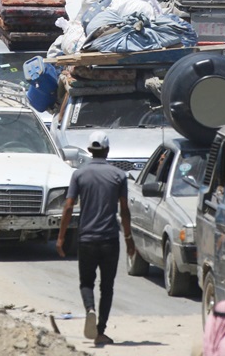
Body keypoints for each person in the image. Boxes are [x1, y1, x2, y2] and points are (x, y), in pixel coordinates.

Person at [56, 132, 134, 347]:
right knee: (107, 287)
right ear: (107, 151)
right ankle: (100, 331)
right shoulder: (119, 176)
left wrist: (61, 237)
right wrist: (129, 239)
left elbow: (69, 206)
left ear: (89, 150)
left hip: (86, 238)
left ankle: (89, 308)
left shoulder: (79, 175)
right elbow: (125, 210)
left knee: (86, 283)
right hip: (110, 239)